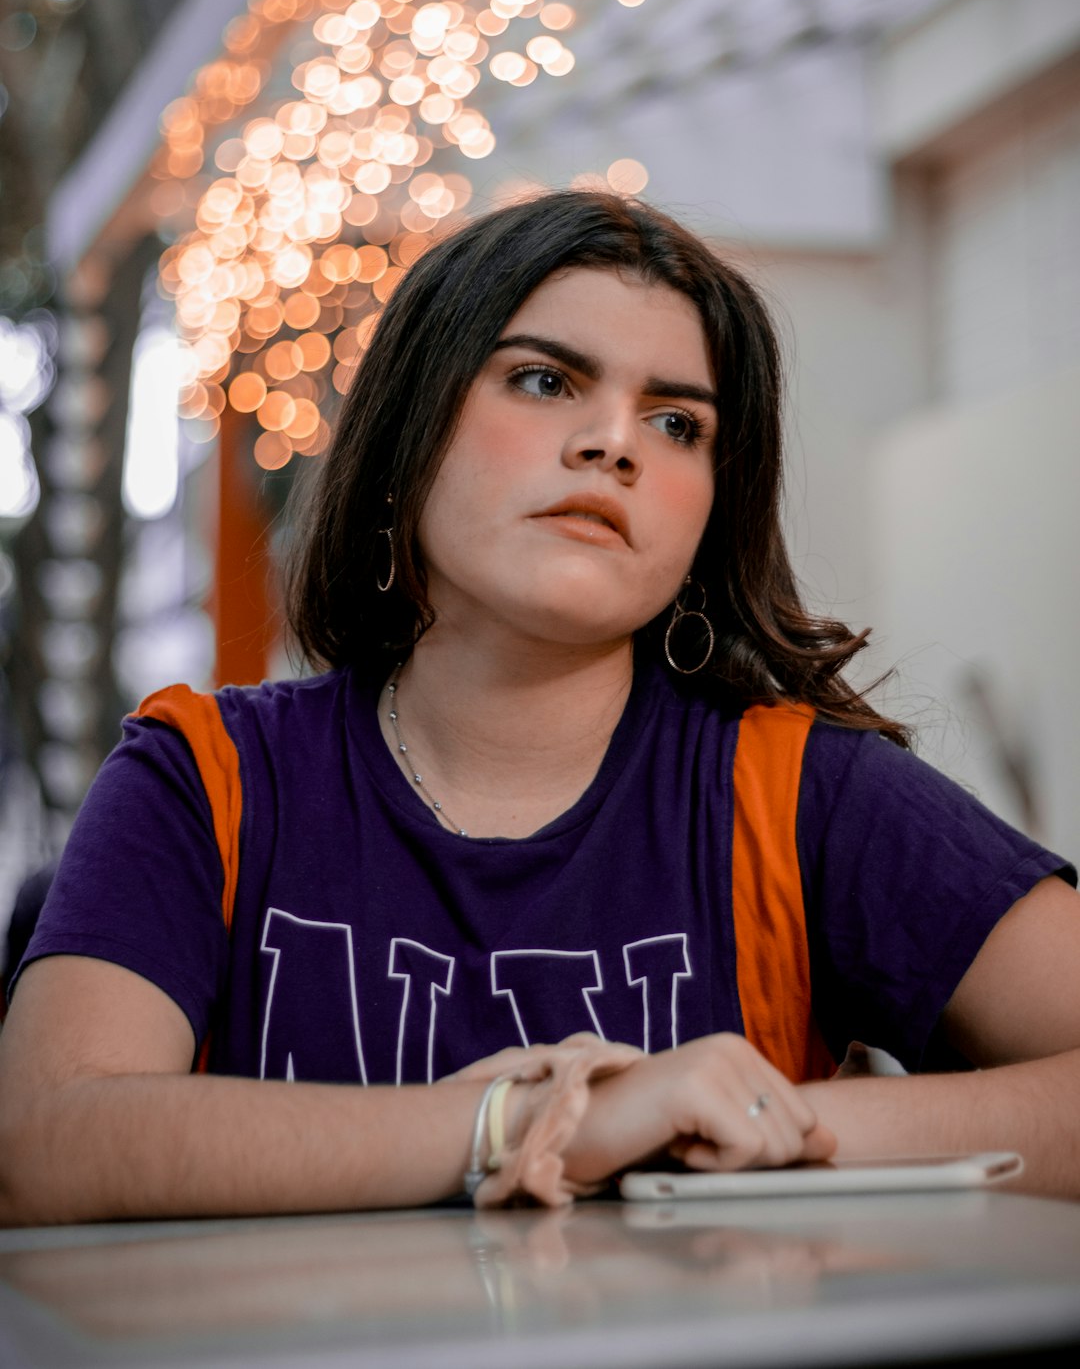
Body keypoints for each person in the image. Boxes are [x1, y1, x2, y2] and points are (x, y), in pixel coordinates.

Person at [1, 190, 1078, 1225]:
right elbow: (36, 1143)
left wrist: (746, 1127)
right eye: (545, 381)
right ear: (404, 436)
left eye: (675, 422)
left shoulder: (795, 793)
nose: (615, 443)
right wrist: (532, 1125)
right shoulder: (208, 780)